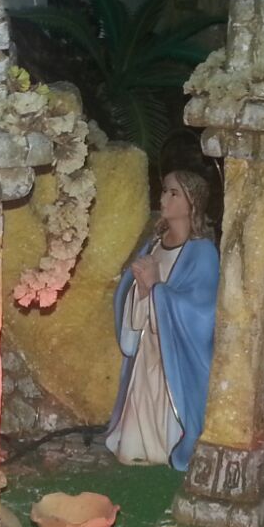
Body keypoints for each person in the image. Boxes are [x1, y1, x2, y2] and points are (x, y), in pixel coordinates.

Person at [105, 170, 220, 471]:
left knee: (163, 400)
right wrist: (142, 290)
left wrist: (157, 289)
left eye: (173, 193)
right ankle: (136, 445)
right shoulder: (154, 244)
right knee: (142, 395)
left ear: (192, 203)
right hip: (148, 344)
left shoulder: (203, 253)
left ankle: (167, 446)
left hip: (175, 355)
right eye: (164, 191)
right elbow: (133, 290)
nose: (164, 198)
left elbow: (203, 311)